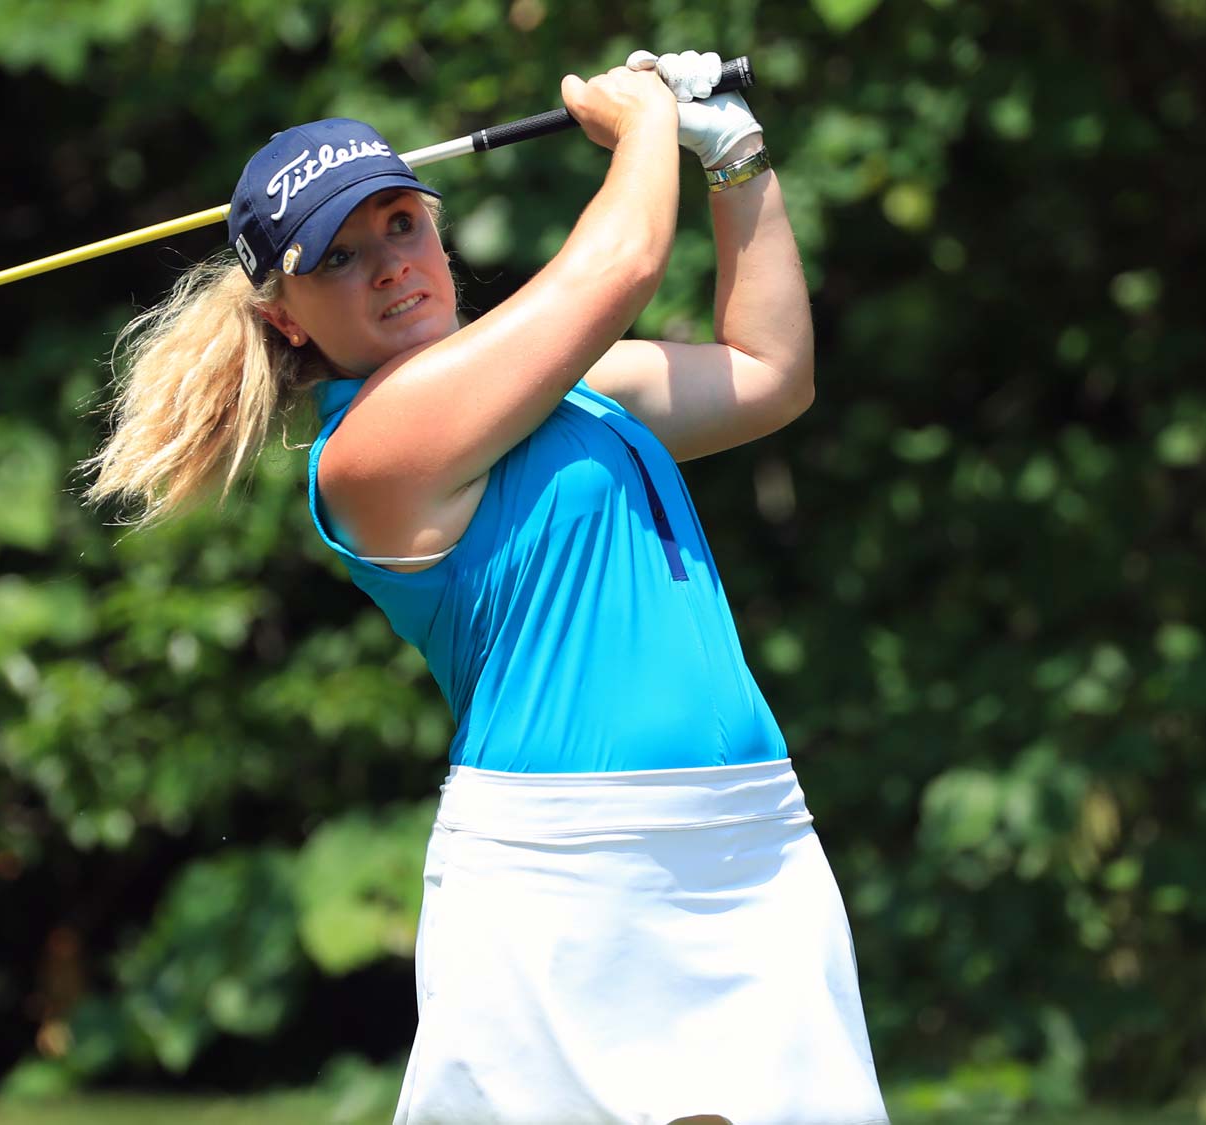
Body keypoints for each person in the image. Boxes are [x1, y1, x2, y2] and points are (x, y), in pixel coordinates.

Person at [84, 48, 887, 1125]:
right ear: (284, 318)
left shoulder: (572, 387)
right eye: (337, 259)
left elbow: (768, 374)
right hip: (565, 867)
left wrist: (732, 153)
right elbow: (617, 267)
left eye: (401, 225)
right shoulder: (372, 449)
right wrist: (645, 121)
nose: (389, 266)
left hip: (750, 836)